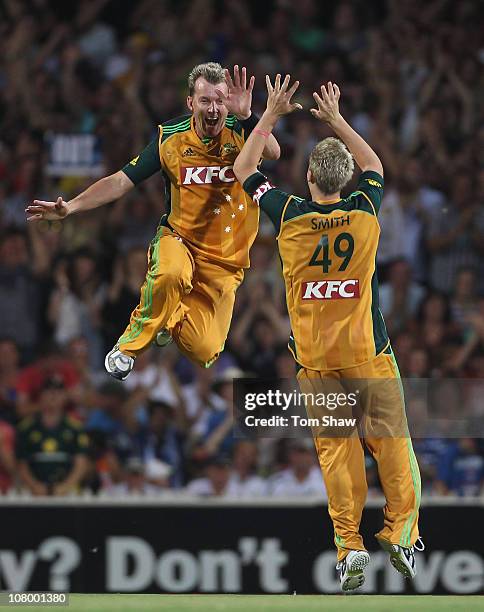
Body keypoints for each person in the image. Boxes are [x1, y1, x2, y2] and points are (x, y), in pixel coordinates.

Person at [233, 75, 422, 592]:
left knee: (337, 453)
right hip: (367, 353)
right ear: (344, 180)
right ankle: (401, 534)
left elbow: (245, 169)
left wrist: (269, 114)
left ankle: (349, 548)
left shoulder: (289, 214)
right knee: (392, 444)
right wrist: (336, 118)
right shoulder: (363, 212)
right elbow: (376, 167)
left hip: (317, 362)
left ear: (309, 175)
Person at [26, 63, 280, 380]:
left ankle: (170, 316)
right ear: (191, 102)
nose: (213, 109)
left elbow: (273, 151)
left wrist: (246, 116)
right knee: (171, 273)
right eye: (205, 101)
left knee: (205, 351)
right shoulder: (169, 139)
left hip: (226, 262)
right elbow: (121, 181)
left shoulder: (241, 128)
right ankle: (128, 347)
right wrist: (73, 206)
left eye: (219, 101)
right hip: (180, 241)